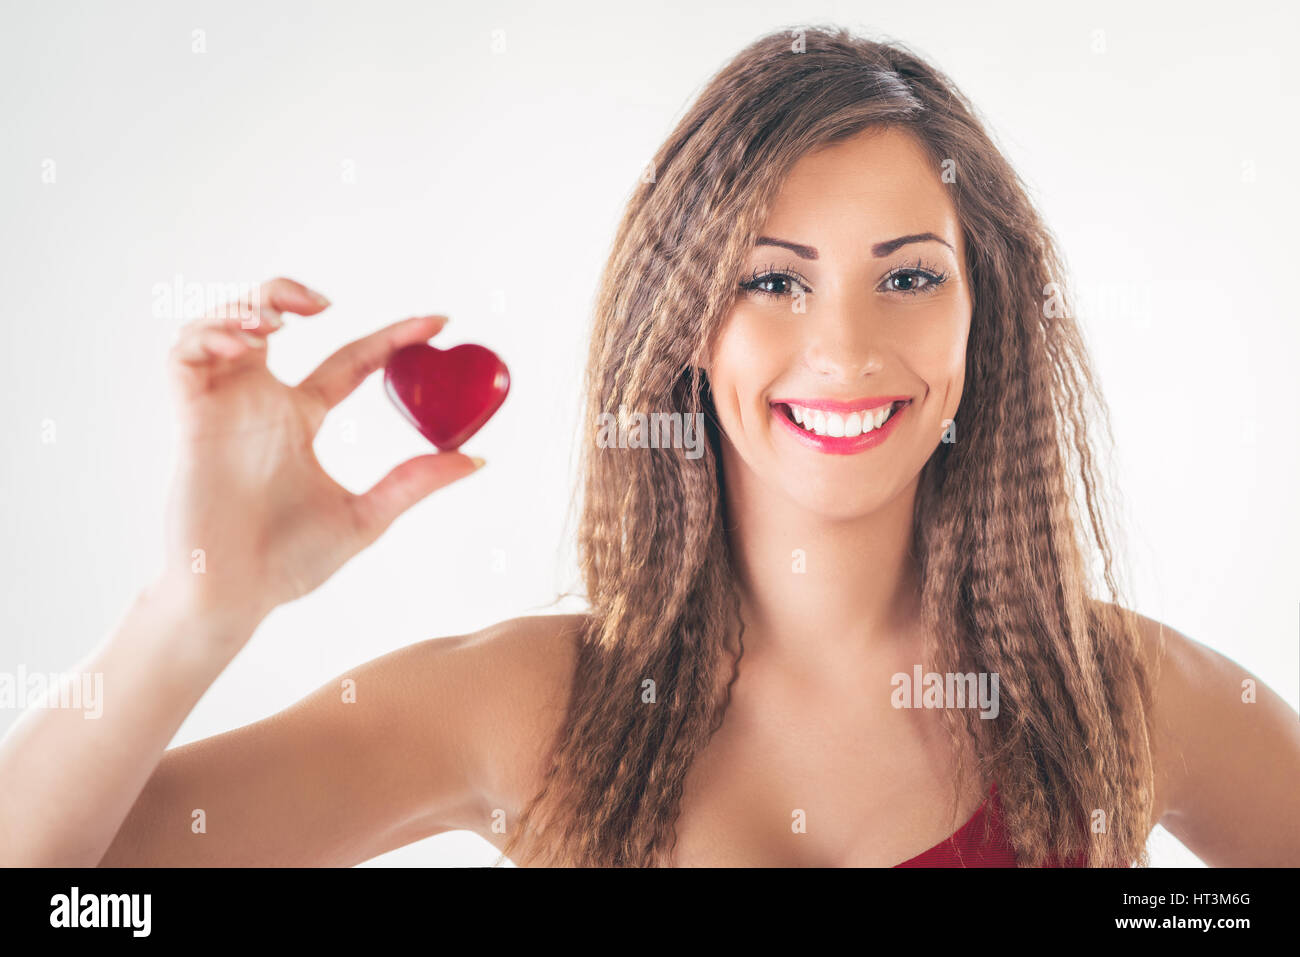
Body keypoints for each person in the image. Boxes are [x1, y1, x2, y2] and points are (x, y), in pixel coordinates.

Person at [2, 26, 1297, 868]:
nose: (843, 345)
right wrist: (193, 609)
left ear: (986, 312)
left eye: (908, 277)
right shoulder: (529, 708)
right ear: (683, 324)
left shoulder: (1117, 694)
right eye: (772, 282)